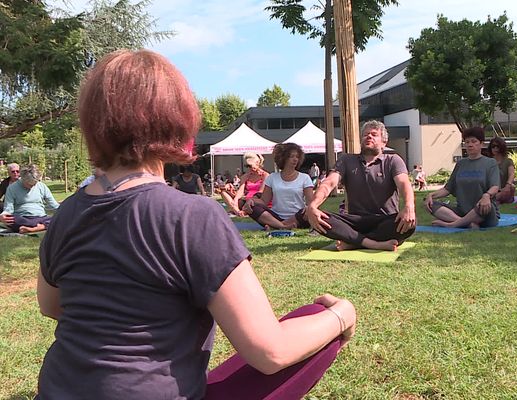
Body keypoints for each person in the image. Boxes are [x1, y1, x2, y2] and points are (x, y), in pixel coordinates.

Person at [35, 49, 356, 400]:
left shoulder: (66, 213)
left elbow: (51, 306)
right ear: (177, 119)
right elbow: (270, 351)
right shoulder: (192, 216)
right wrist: (341, 316)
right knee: (316, 316)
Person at [305, 120, 416, 251]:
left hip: (384, 221)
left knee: (410, 224)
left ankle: (353, 242)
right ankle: (374, 244)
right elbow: (329, 183)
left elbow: (404, 183)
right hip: (354, 222)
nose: (369, 136)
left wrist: (409, 206)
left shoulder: (393, 160)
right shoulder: (346, 160)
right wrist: (313, 206)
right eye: (365, 134)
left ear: (384, 142)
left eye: (374, 134)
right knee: (321, 217)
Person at [424, 127, 500, 229]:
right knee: (431, 204)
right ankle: (467, 224)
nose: (470, 144)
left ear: (481, 144)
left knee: (484, 205)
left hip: (483, 211)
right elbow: (448, 189)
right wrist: (431, 195)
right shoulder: (460, 164)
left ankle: (453, 224)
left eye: (474, 141)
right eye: (467, 142)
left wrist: (486, 196)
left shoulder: (490, 163)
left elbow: (495, 186)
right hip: (462, 212)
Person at [244, 143, 314, 229]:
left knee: (308, 211)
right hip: (275, 216)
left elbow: (311, 202)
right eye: (291, 156)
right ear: (283, 158)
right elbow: (264, 201)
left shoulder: (305, 178)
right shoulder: (272, 177)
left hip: (298, 217)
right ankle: (282, 226)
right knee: (251, 206)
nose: (295, 159)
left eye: (297, 157)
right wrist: (251, 201)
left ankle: (275, 225)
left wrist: (308, 209)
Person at [0, 164, 60, 234]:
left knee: (59, 218)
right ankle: (43, 226)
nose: (33, 186)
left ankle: (34, 228)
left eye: (35, 183)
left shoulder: (42, 186)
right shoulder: (12, 188)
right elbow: (8, 208)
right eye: (30, 184)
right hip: (22, 218)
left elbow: (54, 205)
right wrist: (3, 215)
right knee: (12, 220)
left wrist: (65, 210)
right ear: (23, 179)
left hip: (40, 217)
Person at [488, 137, 515, 204]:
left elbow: (511, 174)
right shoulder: (488, 162)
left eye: (497, 146)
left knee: (512, 187)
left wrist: (507, 185)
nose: (495, 148)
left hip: (505, 189)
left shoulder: (508, 161)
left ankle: (494, 200)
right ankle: (493, 199)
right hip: (491, 190)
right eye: (493, 146)